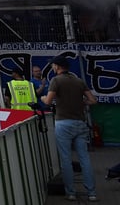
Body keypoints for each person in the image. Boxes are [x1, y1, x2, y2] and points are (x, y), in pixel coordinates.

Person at [41, 54, 98, 202]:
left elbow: (48, 102)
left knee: (65, 159)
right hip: (80, 123)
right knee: (84, 158)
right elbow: (93, 100)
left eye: (53, 65)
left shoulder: (56, 80)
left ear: (57, 67)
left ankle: (71, 193)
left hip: (63, 123)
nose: (52, 67)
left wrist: (42, 98)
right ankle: (92, 193)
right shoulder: (79, 81)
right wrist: (82, 103)